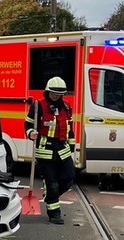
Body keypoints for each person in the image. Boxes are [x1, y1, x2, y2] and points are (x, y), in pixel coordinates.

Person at [24, 76, 75, 225]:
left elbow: (70, 129)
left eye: (59, 94)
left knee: (68, 178)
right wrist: (30, 133)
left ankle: (51, 196)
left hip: (63, 150)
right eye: (53, 93)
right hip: (45, 151)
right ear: (48, 92)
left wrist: (71, 145)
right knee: (52, 183)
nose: (56, 96)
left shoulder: (66, 106)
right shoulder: (38, 106)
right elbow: (28, 125)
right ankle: (54, 214)